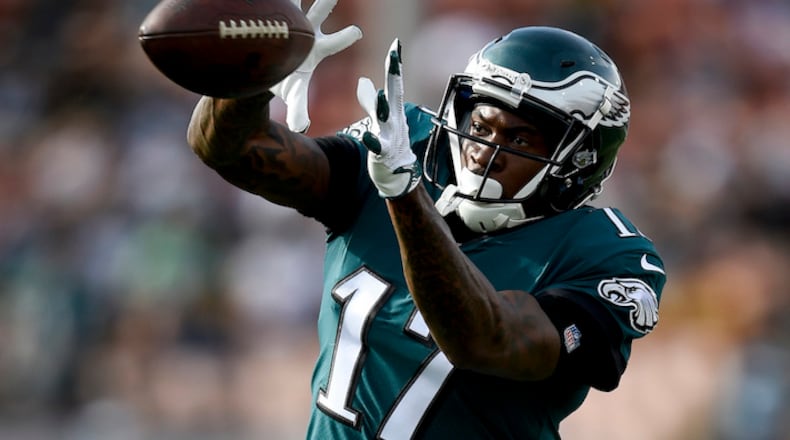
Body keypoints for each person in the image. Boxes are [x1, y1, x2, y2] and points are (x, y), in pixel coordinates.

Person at [186, 0, 666, 438]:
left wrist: (403, 193)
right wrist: (253, 72)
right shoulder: (406, 145)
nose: (484, 151)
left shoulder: (607, 254)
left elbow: (485, 339)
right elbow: (229, 149)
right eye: (480, 125)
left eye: (520, 140)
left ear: (578, 162)